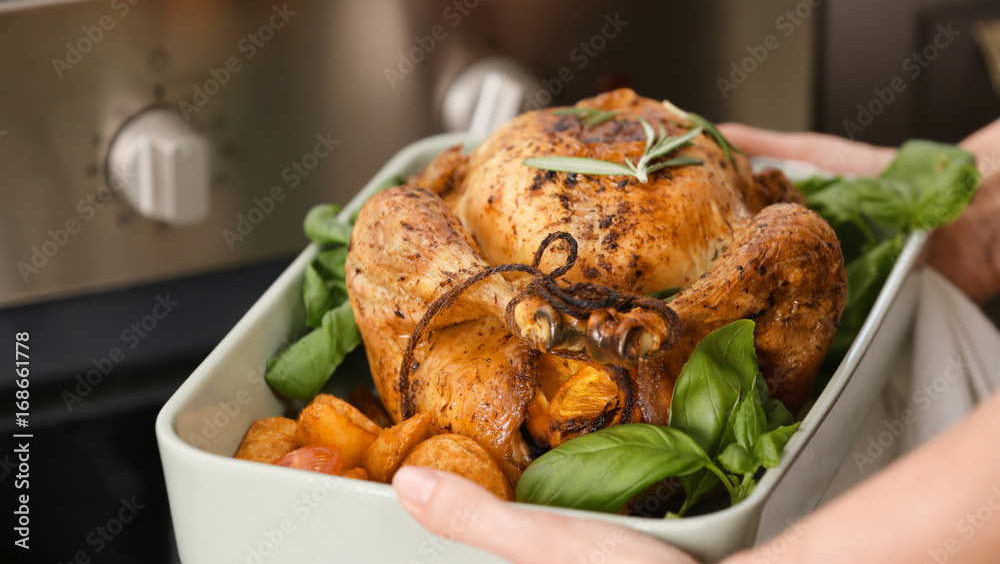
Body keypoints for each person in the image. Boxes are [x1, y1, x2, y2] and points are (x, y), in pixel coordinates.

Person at [392, 118, 1000, 564]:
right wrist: (977, 213)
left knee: (799, 242)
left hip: (697, 319)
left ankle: (662, 320)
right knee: (394, 219)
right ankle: (516, 303)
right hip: (478, 312)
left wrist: (669, 318)